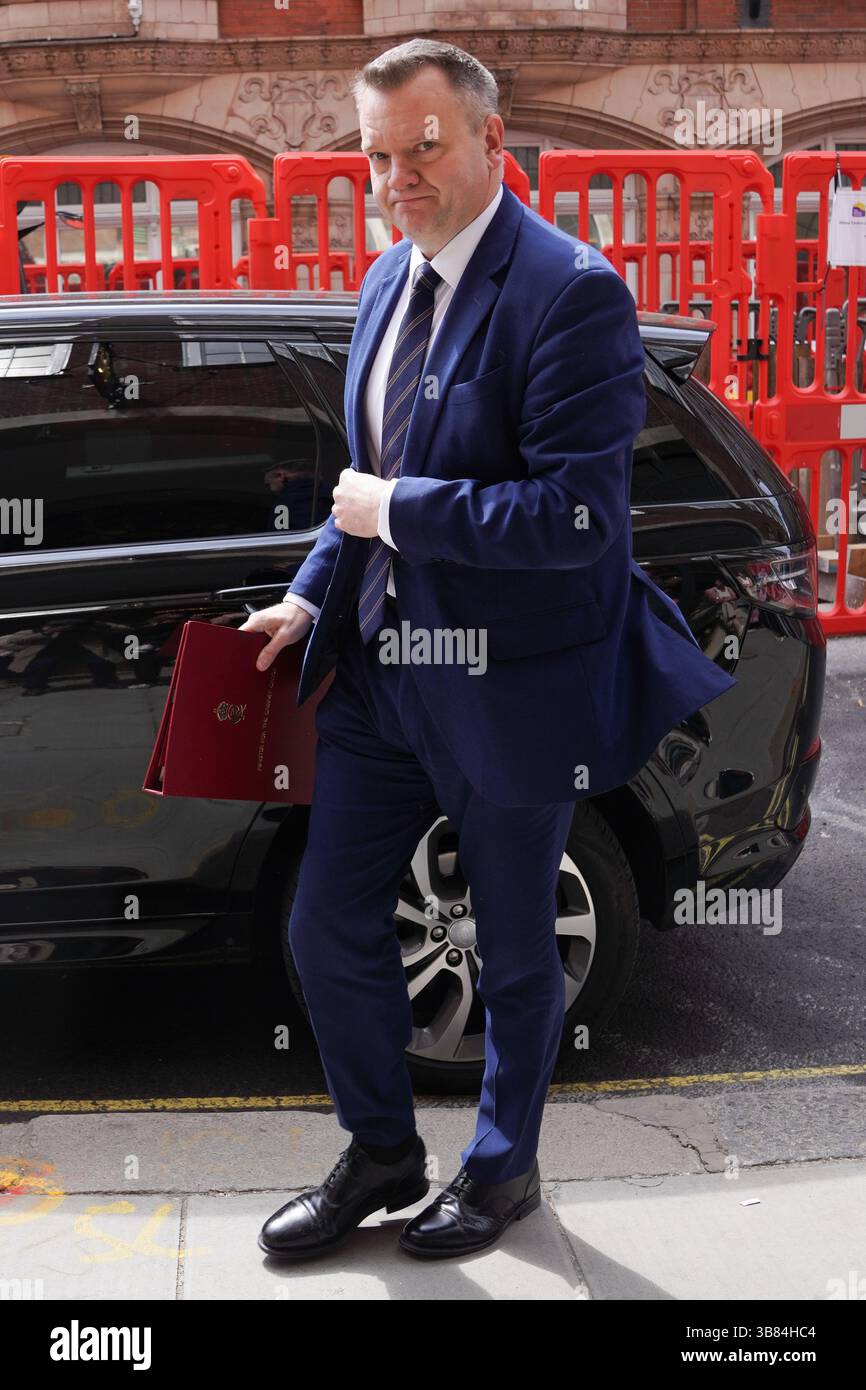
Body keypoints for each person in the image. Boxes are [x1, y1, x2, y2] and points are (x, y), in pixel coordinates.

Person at [240, 38, 737, 1262]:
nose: (396, 175)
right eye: (375, 155)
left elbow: (576, 521)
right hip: (379, 674)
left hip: (507, 683)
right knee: (324, 923)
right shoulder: (382, 282)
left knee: (516, 944)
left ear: (486, 142)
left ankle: (502, 1169)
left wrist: (392, 515)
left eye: (421, 146)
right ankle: (383, 1151)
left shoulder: (570, 291)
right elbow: (365, 481)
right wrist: (311, 592)